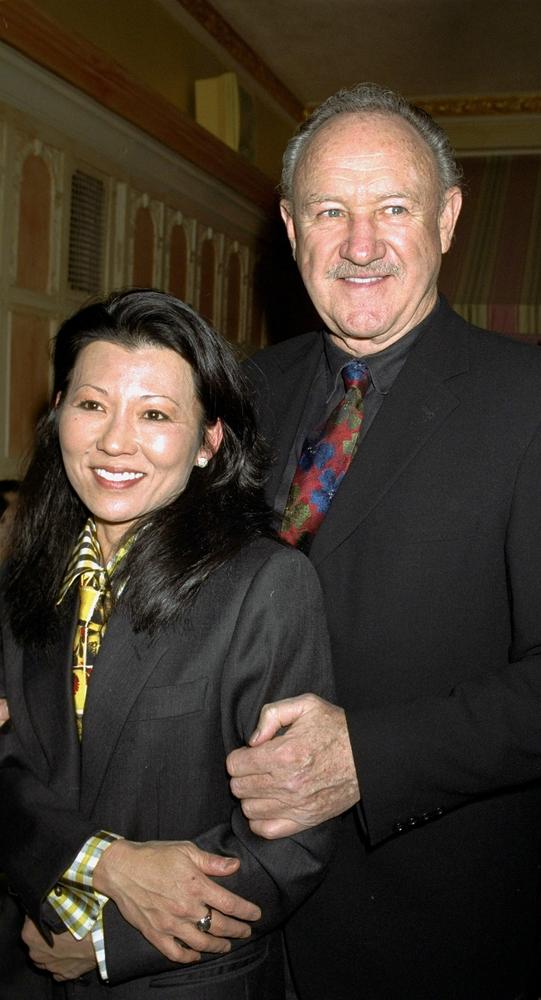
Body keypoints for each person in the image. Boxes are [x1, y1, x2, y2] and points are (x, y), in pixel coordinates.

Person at [225, 83, 541, 999]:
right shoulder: (244, 389)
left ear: (447, 219)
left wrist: (366, 759)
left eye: (394, 208)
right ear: (293, 229)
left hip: (417, 925)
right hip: (228, 910)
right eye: (331, 209)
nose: (361, 243)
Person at [0, 289, 334, 998]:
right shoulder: (27, 571)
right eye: (92, 405)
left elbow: (290, 843)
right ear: (59, 411)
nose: (115, 442)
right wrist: (100, 863)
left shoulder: (265, 586)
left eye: (155, 415)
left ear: (210, 440)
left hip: (179, 978)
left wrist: (103, 941)